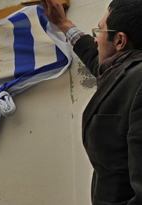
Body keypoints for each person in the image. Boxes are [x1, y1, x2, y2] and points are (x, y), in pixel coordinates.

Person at [41, 0, 142, 204]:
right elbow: (95, 59)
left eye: (100, 31)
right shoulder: (120, 70)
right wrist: (63, 24)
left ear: (120, 41)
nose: (95, 40)